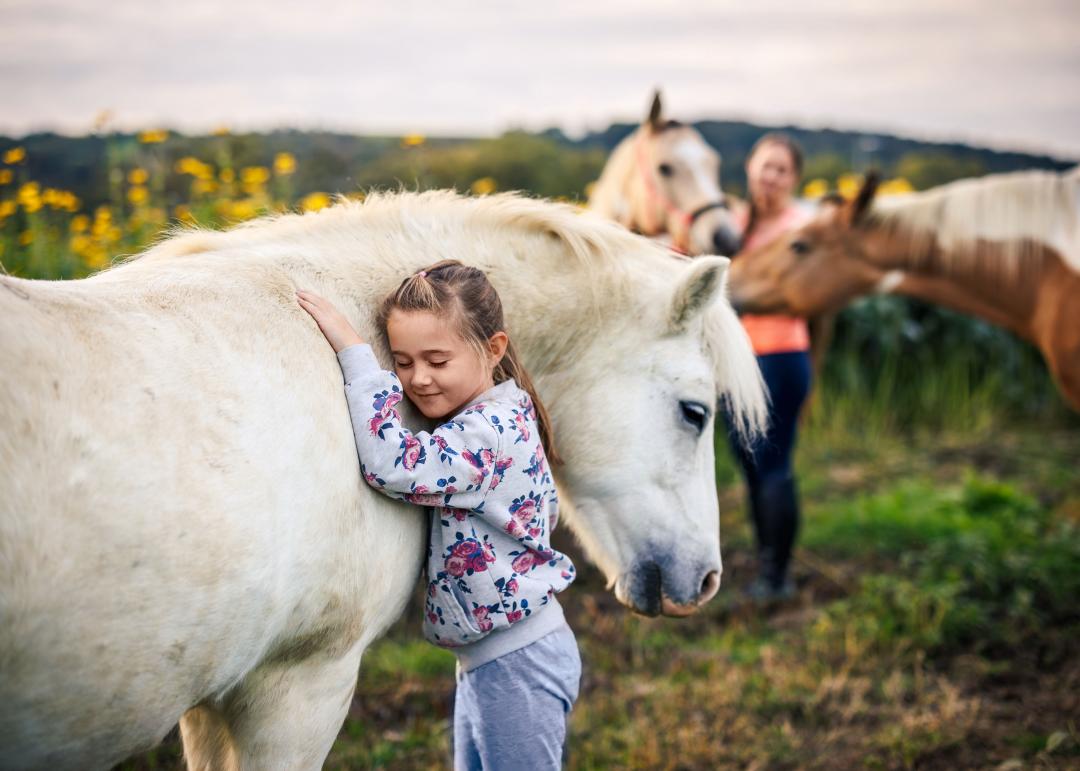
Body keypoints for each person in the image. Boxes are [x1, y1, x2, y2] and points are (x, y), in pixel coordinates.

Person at [296, 260, 580, 771]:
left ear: (493, 349)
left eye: (437, 360)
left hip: (517, 661)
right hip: (491, 659)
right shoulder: (498, 413)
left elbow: (393, 465)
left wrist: (357, 358)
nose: (418, 379)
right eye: (401, 363)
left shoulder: (484, 434)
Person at [727, 133, 813, 602]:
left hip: (780, 358)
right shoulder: (732, 223)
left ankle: (777, 578)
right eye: (765, 166)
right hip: (735, 362)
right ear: (750, 168)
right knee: (750, 467)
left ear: (793, 179)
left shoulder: (801, 230)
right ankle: (766, 560)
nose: (771, 177)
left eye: (781, 169)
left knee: (774, 465)